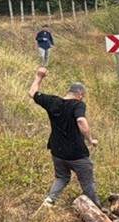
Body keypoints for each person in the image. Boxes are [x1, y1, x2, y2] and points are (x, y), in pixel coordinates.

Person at [28, 67, 99, 208]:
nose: (82, 97)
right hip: (76, 154)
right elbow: (81, 121)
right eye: (83, 95)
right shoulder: (78, 104)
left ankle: (49, 201)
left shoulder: (52, 101)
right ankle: (99, 211)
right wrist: (90, 139)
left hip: (57, 151)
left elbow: (32, 93)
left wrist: (38, 76)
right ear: (79, 93)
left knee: (61, 177)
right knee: (87, 183)